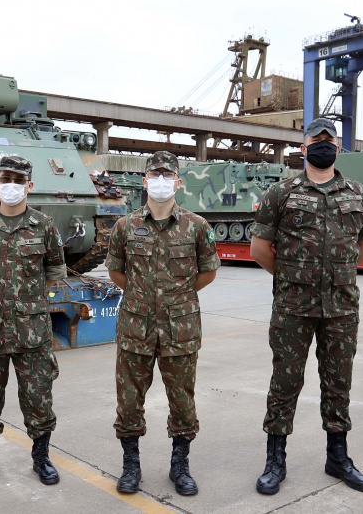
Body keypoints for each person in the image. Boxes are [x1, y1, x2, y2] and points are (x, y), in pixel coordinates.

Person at [249, 118, 363, 495]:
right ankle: (275, 461)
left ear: (337, 148)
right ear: (302, 148)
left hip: (340, 307)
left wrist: (330, 276)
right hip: (293, 307)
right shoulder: (281, 192)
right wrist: (294, 276)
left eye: (329, 139)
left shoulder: (357, 193)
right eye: (315, 139)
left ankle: (338, 457)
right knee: (285, 383)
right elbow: (259, 250)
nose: (323, 144)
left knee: (338, 382)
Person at [105, 150, 220, 497]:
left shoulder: (197, 226)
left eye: (167, 175)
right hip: (135, 328)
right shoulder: (126, 226)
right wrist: (144, 296)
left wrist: (175, 298)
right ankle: (131, 466)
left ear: (178, 182)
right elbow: (115, 270)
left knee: (182, 401)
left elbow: (208, 272)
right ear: (144, 181)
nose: (160, 181)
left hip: (179, 330)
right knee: (128, 401)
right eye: (154, 175)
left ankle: (180, 465)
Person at [0, 155, 67, 487]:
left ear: (29, 186)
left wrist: (29, 301)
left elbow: (54, 272)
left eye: (19, 181)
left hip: (31, 329)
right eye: (6, 179)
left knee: (38, 396)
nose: (12, 186)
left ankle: (41, 458)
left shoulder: (44, 225)